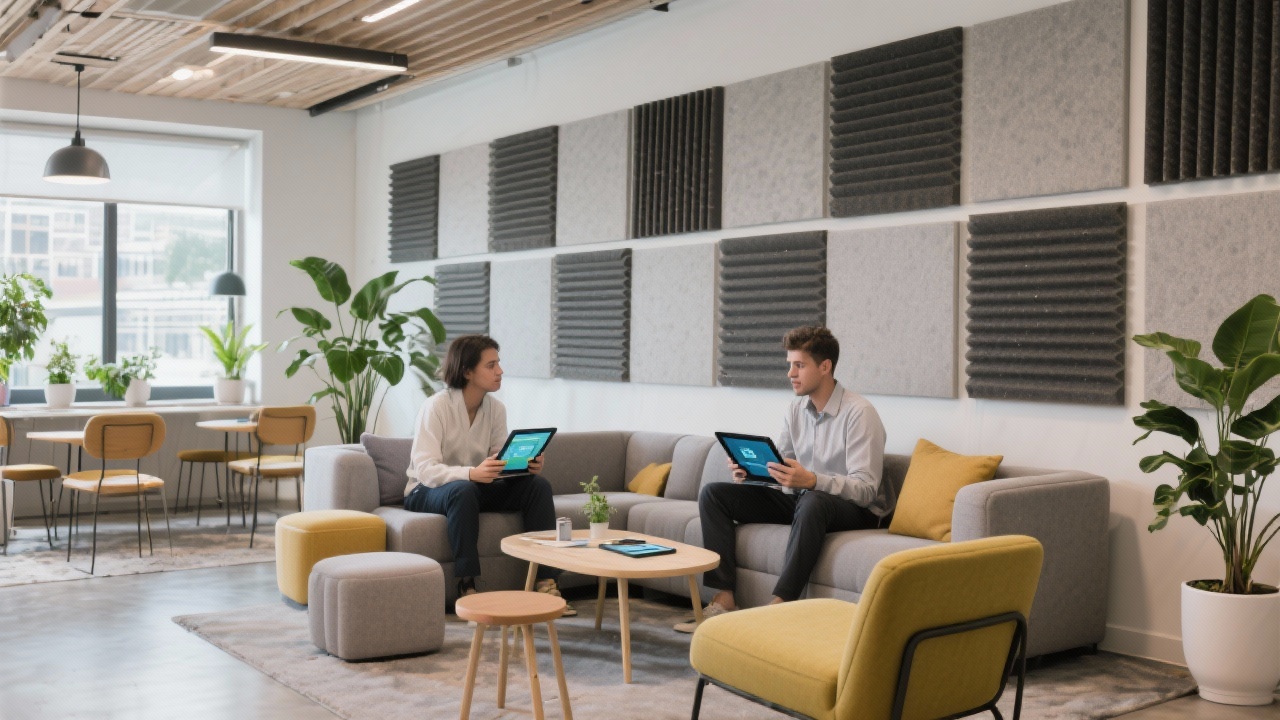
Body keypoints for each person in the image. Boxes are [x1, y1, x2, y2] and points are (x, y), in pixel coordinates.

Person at [674, 326, 889, 633]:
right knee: (714, 494)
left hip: (855, 509)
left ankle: (780, 605)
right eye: (790, 364)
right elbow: (783, 467)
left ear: (825, 367)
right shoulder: (796, 409)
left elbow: (866, 490)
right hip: (805, 498)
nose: (790, 373)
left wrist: (812, 480)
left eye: (799, 365)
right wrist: (754, 473)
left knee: (813, 500)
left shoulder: (859, 413)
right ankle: (724, 599)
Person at [404, 334, 575, 614]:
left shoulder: (496, 409)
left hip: (475, 487)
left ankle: (545, 580)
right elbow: (425, 469)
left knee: (537, 486)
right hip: (427, 490)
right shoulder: (436, 407)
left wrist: (524, 465)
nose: (500, 371)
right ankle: (467, 585)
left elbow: (498, 459)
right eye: (491, 365)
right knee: (463, 490)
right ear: (467, 372)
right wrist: (471, 473)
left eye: (499, 363)